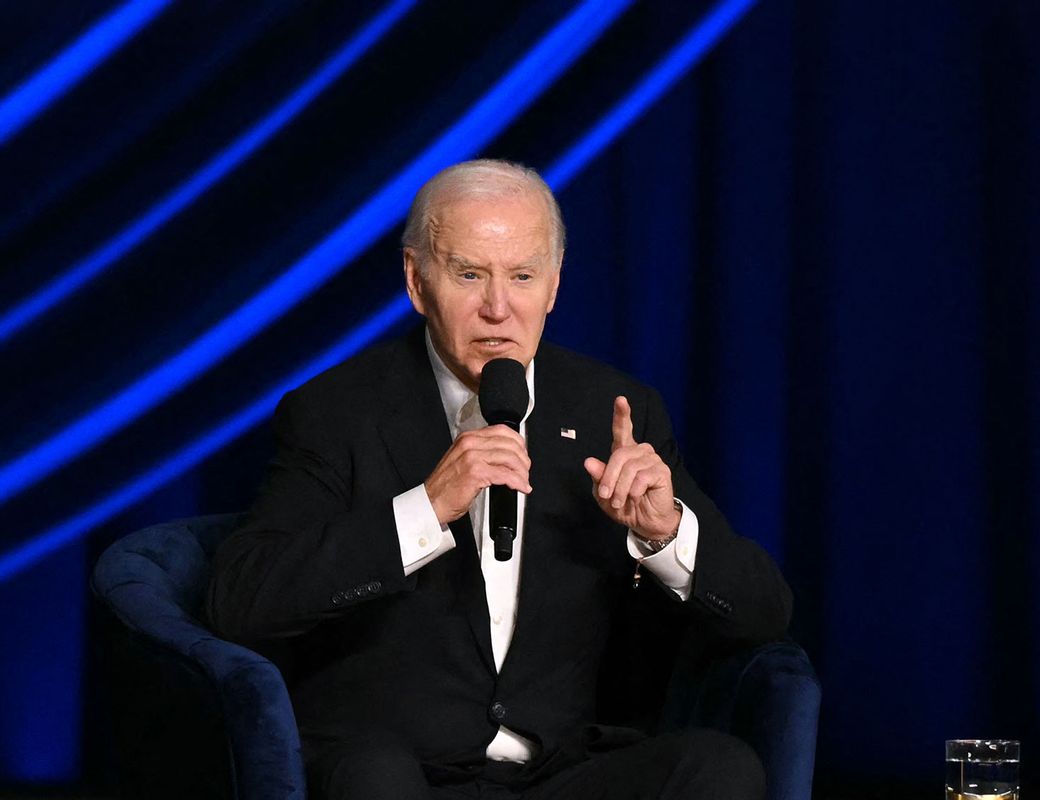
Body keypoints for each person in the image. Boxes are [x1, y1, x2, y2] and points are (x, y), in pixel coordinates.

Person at [207, 159, 792, 799]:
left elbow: (764, 613)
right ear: (416, 281)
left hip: (560, 772)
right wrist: (424, 510)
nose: (497, 308)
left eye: (521, 276)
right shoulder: (337, 411)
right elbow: (242, 599)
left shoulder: (617, 413)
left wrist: (667, 533)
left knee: (718, 768)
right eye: (469, 275)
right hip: (404, 774)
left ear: (554, 287)